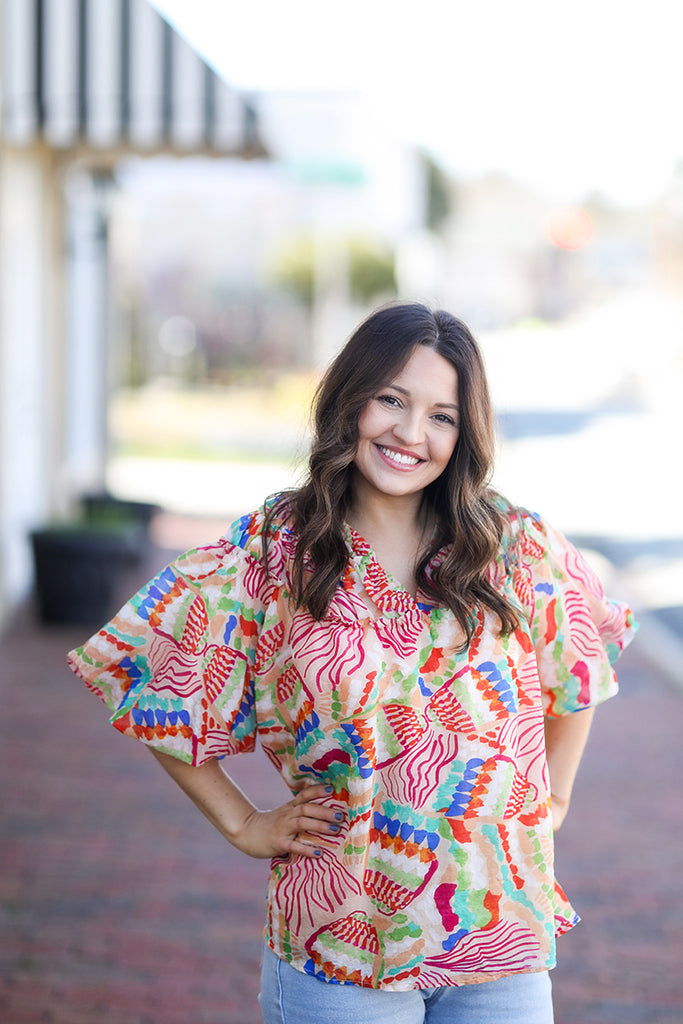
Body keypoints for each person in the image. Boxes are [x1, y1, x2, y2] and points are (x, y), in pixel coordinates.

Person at [68, 303, 636, 1024]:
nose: (409, 433)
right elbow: (151, 673)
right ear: (350, 400)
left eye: (441, 415)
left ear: (464, 434)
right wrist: (244, 825)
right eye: (391, 400)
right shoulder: (275, 550)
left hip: (502, 943)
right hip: (339, 943)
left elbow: (580, 658)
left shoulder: (512, 544)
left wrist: (552, 798)